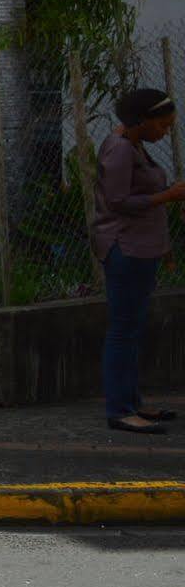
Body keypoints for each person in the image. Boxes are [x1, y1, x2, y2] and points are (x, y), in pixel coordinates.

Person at [93, 87, 185, 434]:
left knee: (132, 329)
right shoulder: (119, 150)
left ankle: (132, 402)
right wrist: (168, 195)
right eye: (162, 125)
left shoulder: (132, 145)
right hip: (125, 248)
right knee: (122, 330)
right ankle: (119, 410)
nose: (165, 131)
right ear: (141, 120)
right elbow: (118, 201)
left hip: (140, 248)